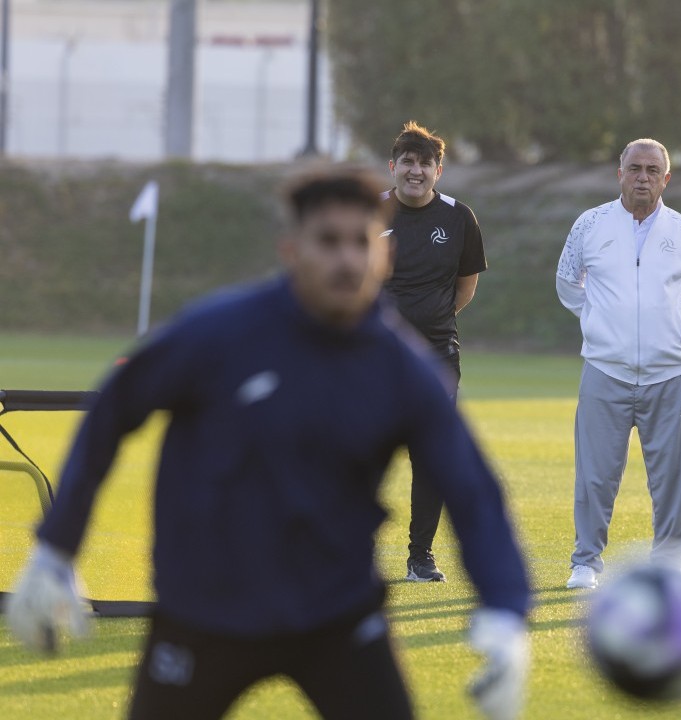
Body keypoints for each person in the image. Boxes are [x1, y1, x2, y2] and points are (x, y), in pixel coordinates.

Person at [5, 166, 531, 720]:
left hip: (338, 614)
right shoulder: (219, 332)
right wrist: (55, 548)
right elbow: (113, 408)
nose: (347, 259)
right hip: (204, 610)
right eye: (328, 241)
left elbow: (471, 491)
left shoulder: (401, 369)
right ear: (291, 250)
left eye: (362, 243)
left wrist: (505, 612)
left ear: (384, 257)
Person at [555, 138, 681, 590]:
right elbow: (567, 283)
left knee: (672, 481)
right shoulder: (590, 223)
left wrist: (664, 332)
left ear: (666, 178)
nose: (643, 177)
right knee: (595, 475)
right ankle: (586, 561)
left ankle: (671, 567)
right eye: (635, 168)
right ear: (619, 173)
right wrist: (602, 323)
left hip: (669, 373)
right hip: (605, 370)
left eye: (652, 170)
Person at [382, 121, 489, 583]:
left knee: (430, 457)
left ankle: (420, 557)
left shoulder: (458, 217)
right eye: (407, 162)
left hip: (437, 357)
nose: (416, 171)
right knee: (352, 449)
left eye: (425, 163)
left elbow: (465, 287)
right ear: (393, 167)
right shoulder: (369, 212)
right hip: (372, 357)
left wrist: (430, 320)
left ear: (438, 171)